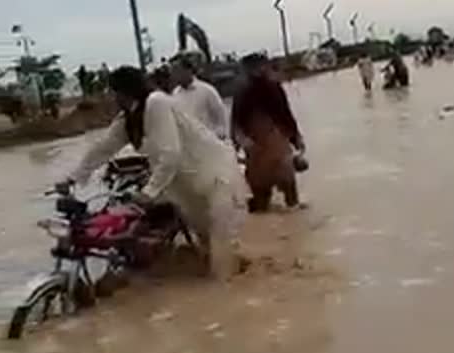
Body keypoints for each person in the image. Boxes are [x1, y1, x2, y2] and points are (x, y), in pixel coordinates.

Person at [62, 66, 246, 280]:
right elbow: (104, 148)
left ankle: (232, 291)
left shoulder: (157, 103)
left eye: (113, 92)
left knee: (221, 247)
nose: (111, 97)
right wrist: (72, 178)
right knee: (206, 241)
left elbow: (171, 154)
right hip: (184, 184)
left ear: (124, 91)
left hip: (212, 174)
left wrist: (148, 192)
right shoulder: (130, 118)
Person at [231, 53, 306, 213]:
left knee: (288, 184)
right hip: (255, 145)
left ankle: (292, 216)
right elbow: (236, 121)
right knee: (261, 195)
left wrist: (296, 137)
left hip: (277, 140)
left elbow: (285, 114)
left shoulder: (274, 87)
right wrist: (242, 141)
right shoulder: (242, 91)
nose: (262, 70)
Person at [170, 54, 229, 141]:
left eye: (177, 70)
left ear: (188, 70)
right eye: (173, 71)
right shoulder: (175, 94)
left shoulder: (207, 90)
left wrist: (218, 136)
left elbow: (221, 117)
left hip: (209, 143)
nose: (174, 74)